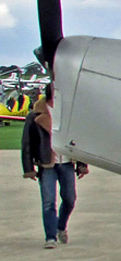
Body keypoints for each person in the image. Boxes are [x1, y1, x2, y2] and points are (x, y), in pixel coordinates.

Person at [21, 89, 88, 249]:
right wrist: (28, 168)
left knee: (70, 199)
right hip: (46, 164)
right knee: (49, 202)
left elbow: (78, 140)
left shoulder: (68, 114)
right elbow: (27, 143)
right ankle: (50, 237)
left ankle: (60, 226)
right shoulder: (35, 115)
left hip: (66, 163)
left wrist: (82, 164)